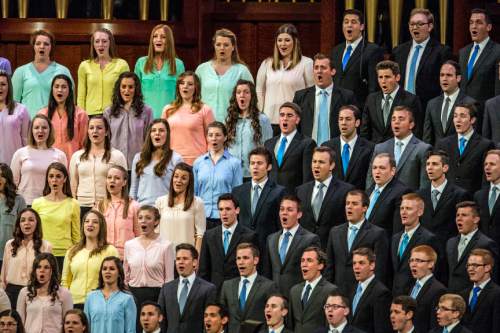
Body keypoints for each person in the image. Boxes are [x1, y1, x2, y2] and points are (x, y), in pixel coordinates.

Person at [325, 190, 389, 294]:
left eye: (354, 204)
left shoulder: (377, 233)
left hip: (362, 294)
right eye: (347, 203)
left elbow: (379, 270)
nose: (349, 207)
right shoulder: (335, 232)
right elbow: (329, 267)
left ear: (365, 208)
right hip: (338, 293)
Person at [256, 23, 314, 134]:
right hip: (269, 122)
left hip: (294, 122)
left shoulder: (306, 63)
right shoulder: (267, 63)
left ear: (295, 42)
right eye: (280, 40)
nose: (283, 44)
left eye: (287, 40)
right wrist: (260, 113)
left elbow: (310, 94)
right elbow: (259, 90)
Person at [392, 8, 452, 108]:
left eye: (420, 24)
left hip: (427, 107)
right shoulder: (398, 51)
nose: (415, 27)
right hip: (401, 107)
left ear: (430, 26)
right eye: (412, 24)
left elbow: (445, 83)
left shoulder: (441, 52)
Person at [296, 146, 354, 248]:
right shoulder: (301, 191)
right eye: (314, 162)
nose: (316, 166)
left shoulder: (346, 191)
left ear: (331, 165)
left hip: (332, 248)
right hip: (305, 250)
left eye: (321, 162)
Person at [232, 147, 286, 253]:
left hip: (268, 248)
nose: (255, 167)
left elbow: (280, 224)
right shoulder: (238, 191)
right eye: (252, 163)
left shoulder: (279, 192)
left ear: (269, 166)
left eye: (259, 163)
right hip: (243, 249)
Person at [70, 116, 127, 216]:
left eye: (99, 128)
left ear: (106, 132)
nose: (94, 131)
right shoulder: (77, 156)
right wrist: (74, 205)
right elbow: (73, 184)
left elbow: (124, 185)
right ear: (87, 132)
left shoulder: (117, 156)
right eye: (91, 128)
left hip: (107, 206)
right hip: (81, 206)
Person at [264, 195, 320, 296]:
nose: (284, 213)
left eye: (289, 210)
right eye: (282, 209)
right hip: (275, 299)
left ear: (299, 214)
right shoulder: (271, 239)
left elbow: (313, 274)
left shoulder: (310, 239)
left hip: (298, 297)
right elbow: (267, 272)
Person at [199, 194, 256, 291]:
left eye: (228, 209)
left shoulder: (249, 236)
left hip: (238, 291)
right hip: (214, 292)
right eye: (221, 209)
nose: (224, 213)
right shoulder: (209, 235)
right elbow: (203, 270)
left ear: (237, 210)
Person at [293, 53, 356, 144]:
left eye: (323, 68)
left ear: (333, 71)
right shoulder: (301, 96)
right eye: (316, 68)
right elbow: (295, 126)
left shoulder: (346, 96)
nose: (319, 71)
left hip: (336, 150)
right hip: (308, 150)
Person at [61, 210, 118, 308]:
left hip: (101, 302)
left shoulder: (110, 250)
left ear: (101, 227)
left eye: (95, 222)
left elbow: (117, 279)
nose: (90, 224)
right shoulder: (72, 251)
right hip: (75, 302)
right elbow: (65, 281)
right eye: (87, 221)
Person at [366, 106, 432, 191]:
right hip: (384, 201)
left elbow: (425, 185)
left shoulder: (423, 149)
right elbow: (370, 180)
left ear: (411, 125)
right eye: (393, 119)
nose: (396, 122)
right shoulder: (380, 148)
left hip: (409, 201)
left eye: (401, 119)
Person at [195, 28, 253, 122]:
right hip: (205, 124)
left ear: (233, 47)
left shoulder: (241, 71)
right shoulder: (202, 69)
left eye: (226, 45)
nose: (222, 48)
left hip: (232, 125)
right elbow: (194, 97)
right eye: (218, 45)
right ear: (214, 46)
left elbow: (251, 99)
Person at [11, 29, 73, 117]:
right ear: (33, 46)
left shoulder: (63, 71)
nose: (42, 46)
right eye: (38, 43)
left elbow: (70, 101)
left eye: (46, 44)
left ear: (51, 47)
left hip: (54, 124)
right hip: (28, 124)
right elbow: (13, 103)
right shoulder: (21, 72)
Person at [435, 103, 494, 194]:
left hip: (472, 199)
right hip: (447, 198)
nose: (458, 120)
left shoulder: (485, 145)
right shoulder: (443, 144)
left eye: (462, 116)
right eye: (455, 116)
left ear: (472, 120)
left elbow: (486, 178)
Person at [330, 9, 384, 109]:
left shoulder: (372, 50)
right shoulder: (336, 51)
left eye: (353, 22)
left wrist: (368, 112)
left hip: (358, 110)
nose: (349, 25)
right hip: (336, 110)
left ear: (362, 26)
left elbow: (374, 87)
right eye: (346, 22)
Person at [157, 243, 217, 333]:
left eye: (185, 259)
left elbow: (209, 322)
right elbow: (161, 321)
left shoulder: (208, 289)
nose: (180, 262)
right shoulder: (166, 289)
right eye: (178, 259)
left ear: (195, 263)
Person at [31, 162, 80, 271]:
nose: (54, 180)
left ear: (65, 179)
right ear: (47, 179)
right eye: (51, 176)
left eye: (58, 176)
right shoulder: (37, 203)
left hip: (66, 255)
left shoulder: (73, 204)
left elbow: (76, 235)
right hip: (42, 254)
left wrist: (76, 256)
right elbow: (33, 233)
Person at [193, 122, 242, 229]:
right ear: (206, 138)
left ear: (225, 137)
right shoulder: (198, 162)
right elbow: (194, 192)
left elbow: (237, 194)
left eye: (218, 135)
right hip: (202, 216)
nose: (214, 138)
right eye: (210, 135)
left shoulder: (234, 163)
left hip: (224, 217)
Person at [124, 205, 174, 309]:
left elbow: (169, 279)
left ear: (156, 221)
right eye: (140, 217)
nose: (143, 221)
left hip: (157, 295)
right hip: (133, 295)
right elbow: (126, 275)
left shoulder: (166, 245)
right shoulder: (129, 245)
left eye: (148, 218)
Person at [10, 114, 67, 205]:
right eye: (36, 127)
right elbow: (13, 183)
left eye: (44, 127)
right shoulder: (20, 153)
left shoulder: (60, 155)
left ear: (50, 130)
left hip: (51, 203)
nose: (40, 131)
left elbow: (64, 183)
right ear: (31, 131)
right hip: (25, 202)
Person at [360, 60, 422, 143]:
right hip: (375, 152)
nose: (383, 81)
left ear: (397, 77)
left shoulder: (411, 100)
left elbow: (416, 132)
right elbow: (365, 131)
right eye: (380, 77)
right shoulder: (371, 99)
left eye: (387, 77)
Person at [220, 243, 277, 333]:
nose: (241, 262)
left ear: (255, 260)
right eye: (238, 258)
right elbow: (222, 317)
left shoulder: (268, 286)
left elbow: (273, 318)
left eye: (245, 258)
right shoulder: (227, 286)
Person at [0, 208, 51, 307]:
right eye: (23, 220)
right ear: (19, 224)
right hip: (11, 293)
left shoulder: (46, 246)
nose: (26, 223)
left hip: (34, 292)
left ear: (37, 223)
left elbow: (48, 275)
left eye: (31, 220)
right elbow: (3, 275)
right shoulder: (10, 245)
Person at [161, 71, 214, 165]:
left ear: (196, 88)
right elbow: (162, 136)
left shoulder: (205, 110)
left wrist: (209, 161)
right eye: (182, 83)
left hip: (198, 162)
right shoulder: (168, 109)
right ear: (178, 87)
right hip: (171, 161)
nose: (185, 86)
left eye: (190, 84)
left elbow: (211, 138)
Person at [418, 150, 469, 245]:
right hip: (424, 248)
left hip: (448, 248)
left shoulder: (460, 194)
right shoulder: (420, 195)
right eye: (428, 164)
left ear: (445, 168)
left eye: (434, 164)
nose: (430, 167)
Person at [391, 193, 437, 296]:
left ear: (420, 212)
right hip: (395, 297)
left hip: (416, 296)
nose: (403, 212)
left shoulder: (428, 238)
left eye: (408, 208)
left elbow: (434, 271)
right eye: (402, 208)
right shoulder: (395, 238)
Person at [104, 72, 153, 169]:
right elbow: (105, 140)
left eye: (131, 87)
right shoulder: (108, 112)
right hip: (114, 166)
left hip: (138, 165)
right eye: (123, 86)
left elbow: (149, 139)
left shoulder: (147, 111)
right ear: (119, 88)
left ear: (136, 89)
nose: (127, 90)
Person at [135, 24, 185, 118]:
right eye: (155, 36)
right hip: (145, 118)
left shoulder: (178, 64)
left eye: (163, 37)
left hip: (170, 118)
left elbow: (181, 96)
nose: (158, 39)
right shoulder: (141, 63)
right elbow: (135, 93)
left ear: (169, 41)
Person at [446, 201, 498, 292]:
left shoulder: (486, 243)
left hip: (473, 297)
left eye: (464, 215)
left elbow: (494, 275)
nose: (459, 218)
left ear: (476, 219)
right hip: (452, 297)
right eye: (457, 215)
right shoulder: (450, 243)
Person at [225, 80, 272, 179]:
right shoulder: (230, 120)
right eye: (239, 92)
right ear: (235, 97)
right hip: (231, 173)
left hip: (252, 174)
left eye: (246, 92)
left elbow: (267, 148)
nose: (242, 95)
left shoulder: (262, 120)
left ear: (252, 96)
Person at [264, 102, 315, 193]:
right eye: (282, 115)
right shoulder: (269, 144)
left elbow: (308, 178)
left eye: (289, 115)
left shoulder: (307, 143)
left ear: (297, 120)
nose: (285, 118)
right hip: (271, 197)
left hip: (293, 198)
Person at [130, 119, 183, 206]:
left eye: (161, 130)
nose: (157, 133)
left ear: (167, 134)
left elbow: (179, 190)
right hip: (143, 209)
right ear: (150, 135)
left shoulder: (176, 159)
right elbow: (134, 188)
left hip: (165, 209)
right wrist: (132, 208)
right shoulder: (138, 157)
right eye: (153, 130)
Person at [77, 28, 129, 116]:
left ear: (110, 43)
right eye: (97, 41)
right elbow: (81, 96)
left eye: (104, 41)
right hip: (91, 115)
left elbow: (126, 92)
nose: (100, 45)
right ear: (93, 44)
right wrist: (81, 116)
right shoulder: (84, 66)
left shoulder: (121, 65)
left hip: (114, 114)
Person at [155, 162, 205, 253]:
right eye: (176, 176)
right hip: (164, 256)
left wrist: (196, 258)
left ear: (189, 182)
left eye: (184, 178)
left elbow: (200, 235)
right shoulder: (160, 201)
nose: (178, 180)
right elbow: (156, 232)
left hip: (186, 258)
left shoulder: (197, 203)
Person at [423, 61, 476, 145]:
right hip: (437, 155)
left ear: (458, 78)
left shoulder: (470, 103)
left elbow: (474, 137)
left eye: (449, 75)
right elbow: (427, 138)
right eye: (442, 75)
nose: (444, 79)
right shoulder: (432, 104)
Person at [17, 253, 73, 333]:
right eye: (38, 267)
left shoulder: (64, 294)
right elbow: (20, 323)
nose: (42, 270)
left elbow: (68, 324)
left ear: (52, 271)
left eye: (46, 267)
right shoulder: (25, 292)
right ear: (35, 270)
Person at [321, 105, 374, 190]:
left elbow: (370, 180)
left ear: (357, 122)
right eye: (341, 119)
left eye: (348, 119)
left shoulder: (369, 148)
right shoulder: (327, 147)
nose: (343, 123)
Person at [39, 74, 88, 163]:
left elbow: (84, 145)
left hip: (73, 164)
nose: (60, 90)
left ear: (70, 90)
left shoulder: (81, 114)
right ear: (52, 90)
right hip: (48, 164)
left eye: (64, 87)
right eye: (56, 86)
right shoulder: (43, 114)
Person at [288, 247, 338, 333]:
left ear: (320, 265)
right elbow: (290, 325)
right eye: (302, 260)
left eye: (309, 260)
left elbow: (331, 325)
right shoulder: (294, 291)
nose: (304, 264)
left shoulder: (330, 290)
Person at [458, 9, 500, 109]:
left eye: (479, 22)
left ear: (488, 27)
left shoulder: (497, 51)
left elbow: (498, 90)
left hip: (484, 114)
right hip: (463, 115)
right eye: (471, 23)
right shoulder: (463, 52)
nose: (474, 26)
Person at [95, 165, 140, 259]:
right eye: (109, 177)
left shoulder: (134, 206)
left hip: (127, 258)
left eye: (117, 178)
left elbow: (139, 235)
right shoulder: (99, 207)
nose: (112, 180)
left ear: (124, 182)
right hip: (104, 257)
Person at [84, 256, 136, 333]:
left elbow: (130, 330)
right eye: (104, 269)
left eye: (112, 269)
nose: (107, 271)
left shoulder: (127, 299)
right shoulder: (90, 297)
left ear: (119, 273)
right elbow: (86, 328)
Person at [365, 153, 411, 235]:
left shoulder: (401, 192)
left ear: (393, 171)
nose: (377, 171)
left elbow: (398, 230)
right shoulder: (368, 192)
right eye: (374, 168)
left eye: (382, 168)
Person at [348, 248, 392, 333]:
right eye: (354, 263)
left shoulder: (381, 293)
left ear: (372, 265)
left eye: (361, 263)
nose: (356, 267)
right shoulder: (352, 289)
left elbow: (381, 328)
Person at [460, 248, 500, 333]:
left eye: (475, 265)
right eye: (468, 265)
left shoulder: (497, 294)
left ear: (487, 267)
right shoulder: (464, 294)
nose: (470, 269)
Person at [408, 245, 446, 333]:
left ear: (430, 264)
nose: (413, 264)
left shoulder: (438, 290)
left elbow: (435, 325)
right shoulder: (412, 286)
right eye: (411, 260)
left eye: (418, 261)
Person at [0, 164, 26, 271]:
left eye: (2, 175)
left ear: (8, 179)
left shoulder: (19, 200)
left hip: (10, 256)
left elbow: (24, 230)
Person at [0, 70, 29, 165]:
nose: (0, 88)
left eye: (3, 84)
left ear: (9, 87)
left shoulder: (21, 109)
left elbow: (26, 140)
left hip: (14, 164)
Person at [474, 150, 500, 245]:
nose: (487, 168)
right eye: (485, 164)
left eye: (492, 164)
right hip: (484, 251)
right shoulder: (479, 196)